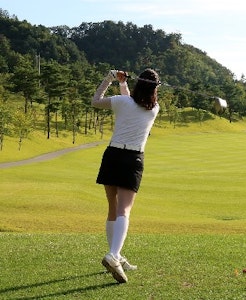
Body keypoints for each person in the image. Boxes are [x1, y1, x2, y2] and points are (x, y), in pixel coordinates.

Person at [92, 68, 160, 283]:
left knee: (113, 207)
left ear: (138, 84)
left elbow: (97, 100)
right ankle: (113, 255)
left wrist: (111, 78)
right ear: (154, 89)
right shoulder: (154, 108)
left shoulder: (122, 103)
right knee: (124, 210)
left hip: (112, 155)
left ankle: (117, 256)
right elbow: (132, 101)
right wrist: (122, 85)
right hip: (133, 159)